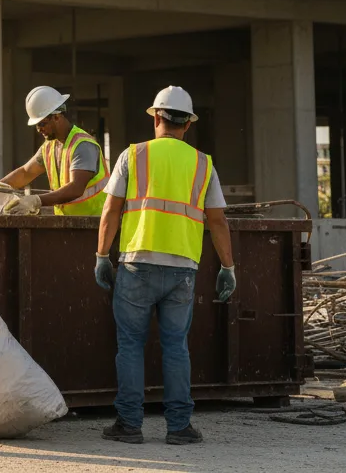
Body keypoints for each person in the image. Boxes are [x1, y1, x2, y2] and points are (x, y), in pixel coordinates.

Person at [93, 86, 237, 446]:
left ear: (156, 117)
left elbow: (110, 210)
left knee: (130, 345)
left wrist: (101, 255)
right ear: (188, 124)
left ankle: (129, 425)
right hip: (183, 269)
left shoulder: (133, 155)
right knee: (176, 347)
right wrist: (228, 267)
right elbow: (218, 221)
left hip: (136, 264)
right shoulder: (203, 163)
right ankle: (179, 427)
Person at [0, 86, 109, 216]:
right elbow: (25, 173)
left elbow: (76, 188)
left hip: (95, 223)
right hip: (70, 224)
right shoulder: (49, 147)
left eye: (42, 124)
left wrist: (36, 200)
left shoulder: (83, 145)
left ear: (57, 117)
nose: (39, 129)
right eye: (36, 125)